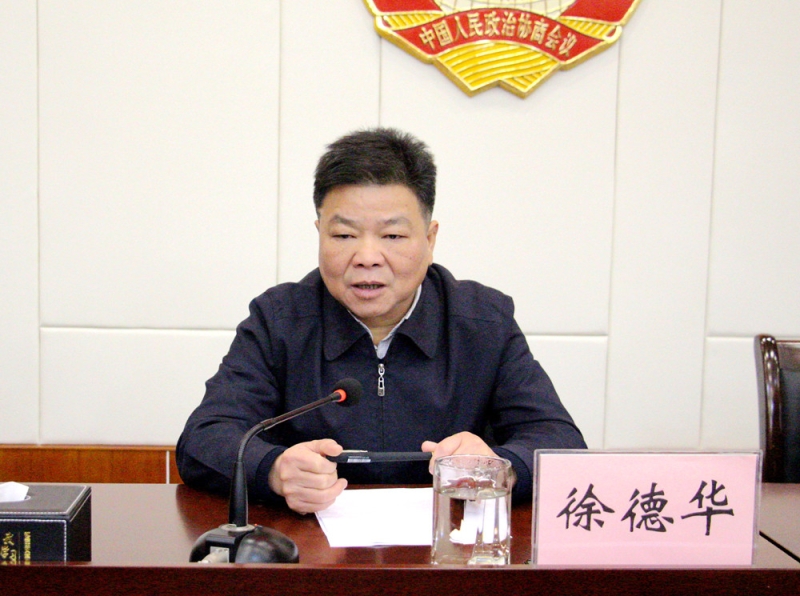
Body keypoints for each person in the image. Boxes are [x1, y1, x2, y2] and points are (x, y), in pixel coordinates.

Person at [176, 127, 586, 514]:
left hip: (449, 545)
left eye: (392, 236)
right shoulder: (280, 320)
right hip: (310, 548)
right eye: (343, 236)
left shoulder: (482, 321)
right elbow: (204, 438)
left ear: (430, 239)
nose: (367, 257)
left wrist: (500, 467)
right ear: (319, 233)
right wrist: (273, 469)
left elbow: (559, 442)